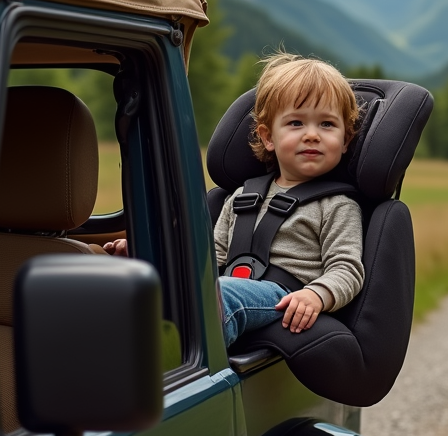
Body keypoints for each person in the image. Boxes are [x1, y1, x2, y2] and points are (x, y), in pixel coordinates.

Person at [108, 53, 364, 347]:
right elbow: (210, 259)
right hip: (230, 286)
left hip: (283, 296)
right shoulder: (242, 197)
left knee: (219, 294)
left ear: (345, 140)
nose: (312, 135)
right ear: (268, 137)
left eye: (327, 125)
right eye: (296, 123)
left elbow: (347, 269)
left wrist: (317, 294)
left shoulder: (337, 205)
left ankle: (196, 367)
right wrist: (153, 260)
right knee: (159, 288)